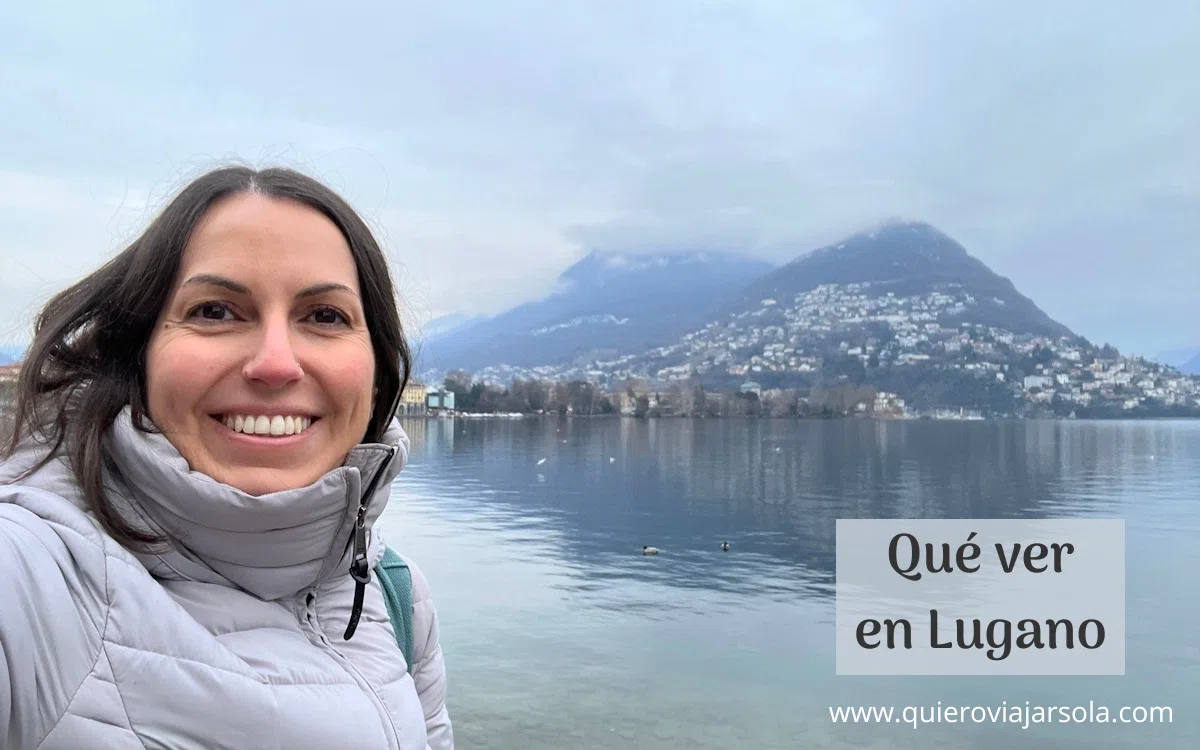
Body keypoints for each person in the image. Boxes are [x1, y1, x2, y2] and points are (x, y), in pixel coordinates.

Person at [0, 165, 453, 749]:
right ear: (139, 351)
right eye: (214, 311)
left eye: (325, 316)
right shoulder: (36, 572)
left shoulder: (396, 597)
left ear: (376, 368)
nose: (275, 364)